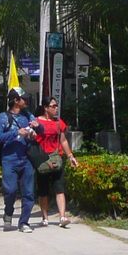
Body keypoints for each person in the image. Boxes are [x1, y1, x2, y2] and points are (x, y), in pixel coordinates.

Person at [0, 89, 37, 232]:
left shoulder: (28, 115)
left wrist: (35, 131)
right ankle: (8, 211)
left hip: (26, 159)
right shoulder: (3, 117)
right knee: (10, 191)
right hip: (9, 159)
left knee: (28, 193)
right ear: (16, 101)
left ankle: (24, 222)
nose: (26, 100)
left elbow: (39, 128)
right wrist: (16, 133)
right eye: (23, 98)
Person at [32, 97, 80, 227]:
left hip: (57, 159)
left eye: (56, 105)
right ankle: (45, 218)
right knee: (43, 191)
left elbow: (63, 141)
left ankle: (62, 217)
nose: (56, 108)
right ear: (46, 108)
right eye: (53, 106)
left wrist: (70, 156)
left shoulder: (58, 123)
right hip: (42, 160)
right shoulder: (36, 122)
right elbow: (32, 140)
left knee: (60, 188)